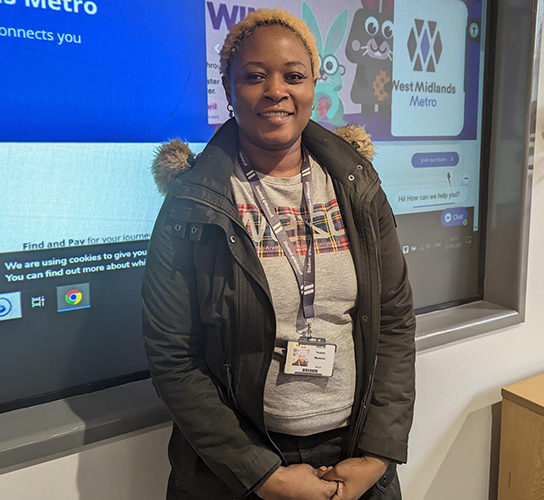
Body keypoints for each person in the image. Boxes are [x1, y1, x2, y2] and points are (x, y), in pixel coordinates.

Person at [142, 8, 415, 500]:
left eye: (293, 76)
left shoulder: (358, 188)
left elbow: (394, 321)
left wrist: (377, 455)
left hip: (355, 458)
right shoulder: (193, 205)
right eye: (254, 77)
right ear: (228, 91)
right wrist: (262, 476)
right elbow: (173, 358)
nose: (276, 90)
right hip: (235, 473)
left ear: (314, 85)